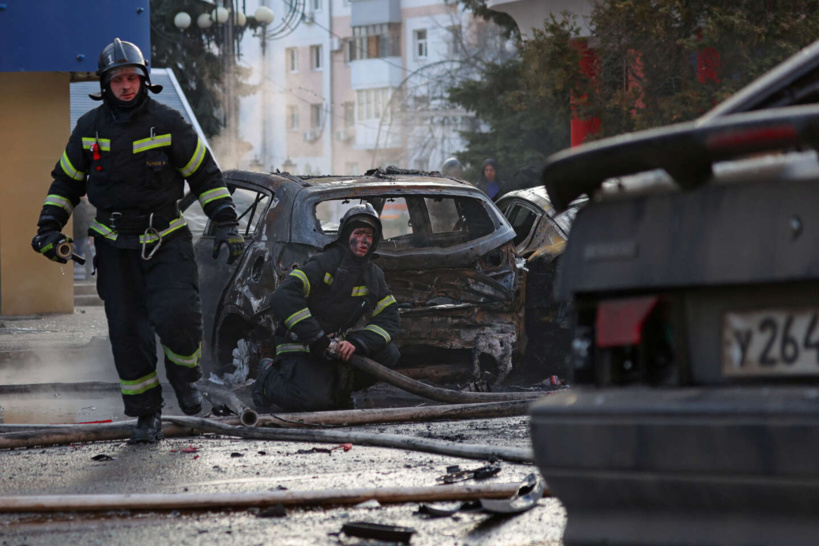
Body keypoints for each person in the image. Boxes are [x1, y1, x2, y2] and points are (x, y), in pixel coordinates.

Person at [31, 38, 245, 444]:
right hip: (114, 246)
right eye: (118, 80)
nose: (126, 86)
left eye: (132, 78)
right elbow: (65, 184)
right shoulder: (89, 128)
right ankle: (147, 414)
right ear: (105, 84)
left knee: (178, 318)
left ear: (144, 80)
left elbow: (205, 176)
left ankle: (186, 383)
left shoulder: (168, 123)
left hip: (166, 240)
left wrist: (227, 223)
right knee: (128, 334)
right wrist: (47, 228)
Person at [252, 203, 401, 412]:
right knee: (312, 402)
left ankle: (338, 392)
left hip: (333, 348)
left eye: (369, 235)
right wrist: (318, 339)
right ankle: (267, 377)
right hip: (301, 345)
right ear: (346, 235)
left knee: (389, 353)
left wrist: (357, 343)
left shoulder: (373, 275)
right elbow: (283, 296)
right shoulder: (324, 262)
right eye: (358, 233)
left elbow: (390, 318)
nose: (364, 240)